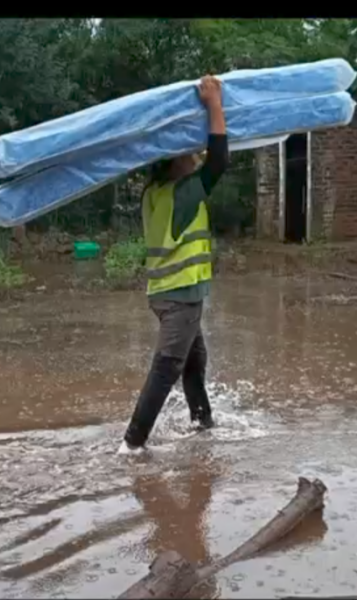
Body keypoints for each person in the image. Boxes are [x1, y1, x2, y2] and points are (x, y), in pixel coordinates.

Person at [120, 75, 229, 453]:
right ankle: (132, 446)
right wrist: (215, 105)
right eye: (189, 153)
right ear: (173, 161)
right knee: (167, 366)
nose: (195, 157)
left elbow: (208, 163)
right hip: (180, 296)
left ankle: (203, 424)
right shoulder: (182, 193)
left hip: (169, 293)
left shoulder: (155, 191)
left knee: (194, 361)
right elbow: (219, 162)